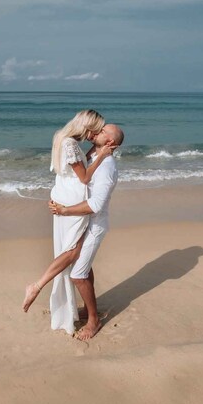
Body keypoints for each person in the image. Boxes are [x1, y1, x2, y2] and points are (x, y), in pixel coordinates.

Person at [22, 110, 116, 335]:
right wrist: (101, 154)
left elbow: (67, 174)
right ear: (86, 125)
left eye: (101, 130)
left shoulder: (63, 138)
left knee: (77, 258)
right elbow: (83, 178)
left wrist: (99, 152)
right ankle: (37, 286)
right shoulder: (73, 145)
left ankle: (82, 310)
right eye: (96, 128)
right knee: (74, 254)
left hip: (69, 204)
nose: (95, 133)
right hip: (72, 206)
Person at [48, 123, 124, 340]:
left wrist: (65, 210)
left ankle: (94, 320)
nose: (96, 131)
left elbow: (96, 204)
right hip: (82, 222)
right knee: (84, 268)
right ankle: (88, 309)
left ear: (110, 142)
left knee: (78, 274)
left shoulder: (107, 168)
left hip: (94, 226)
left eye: (102, 131)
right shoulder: (93, 154)